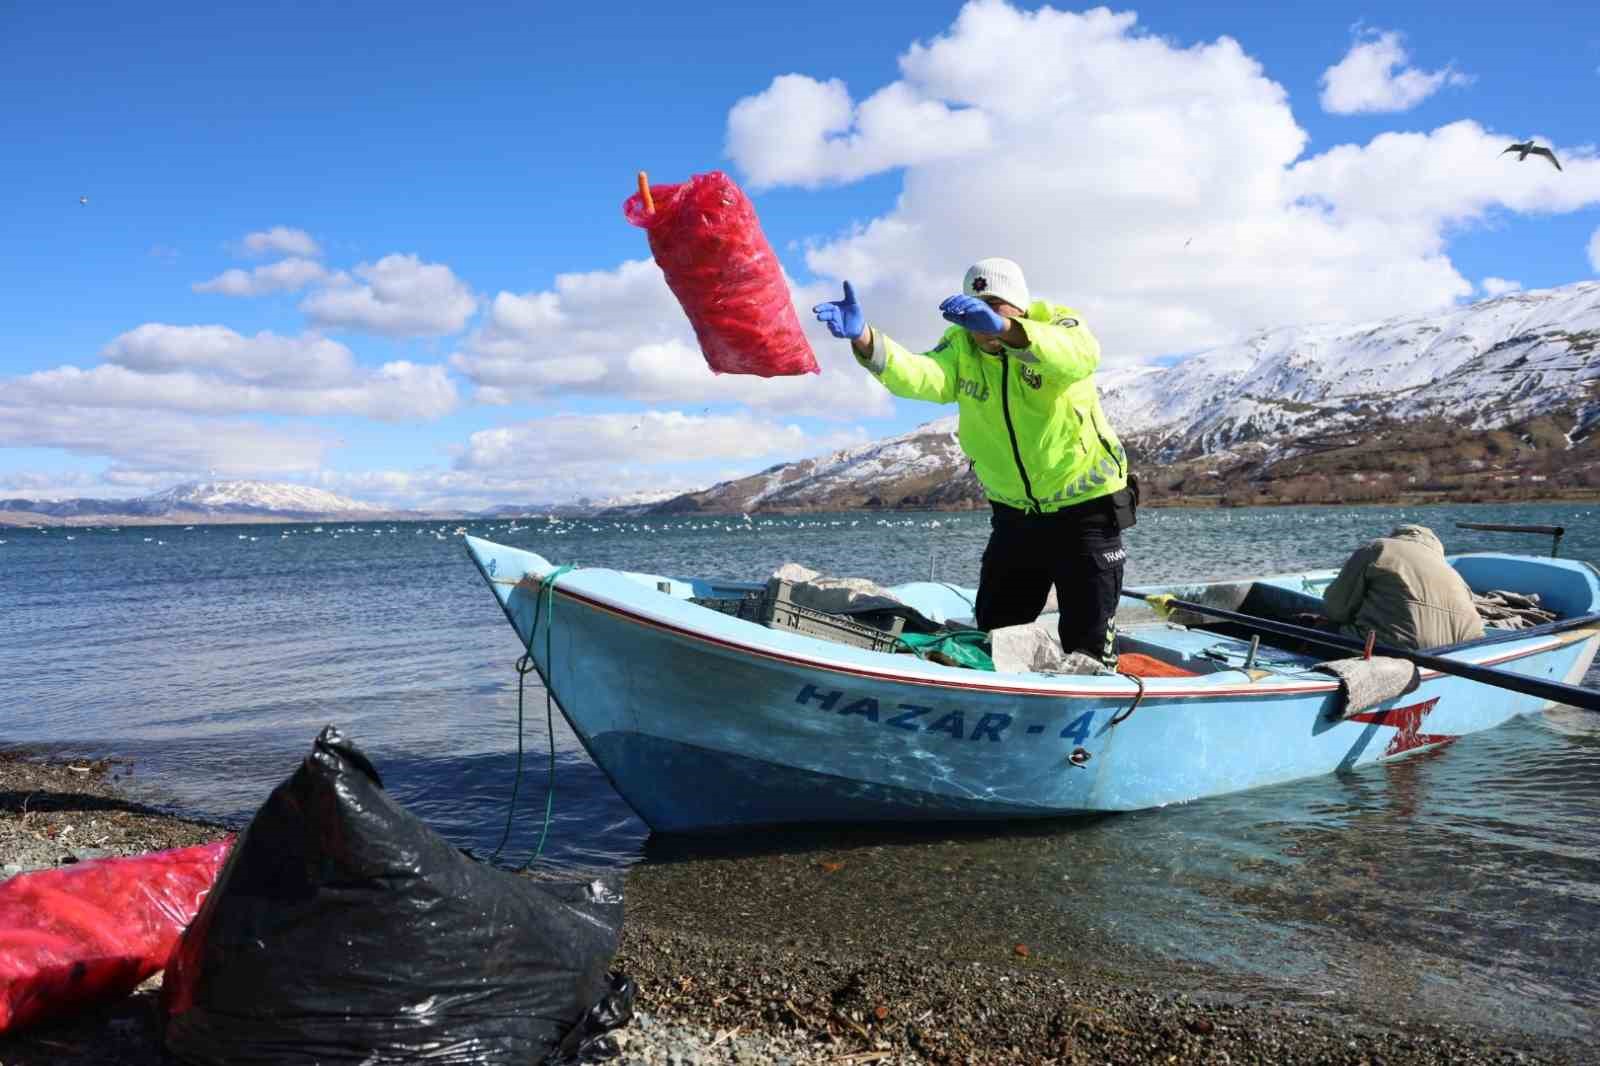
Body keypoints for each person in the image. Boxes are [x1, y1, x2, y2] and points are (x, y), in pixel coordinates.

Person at [813, 258, 1136, 666]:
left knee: (1087, 644)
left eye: (995, 307)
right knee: (994, 632)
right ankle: (989, 713)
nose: (980, 324)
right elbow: (921, 374)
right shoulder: (960, 347)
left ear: (1018, 307)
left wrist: (1007, 331)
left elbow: (1078, 357)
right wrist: (864, 338)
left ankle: (1092, 710)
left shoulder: (1059, 325)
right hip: (1016, 516)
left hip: (1087, 510)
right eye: (973, 311)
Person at [1321, 524, 1485, 650]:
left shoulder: (1378, 548)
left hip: (1394, 648)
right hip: (1460, 652)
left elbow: (1335, 609)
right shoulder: (1453, 573)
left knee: (1312, 625)